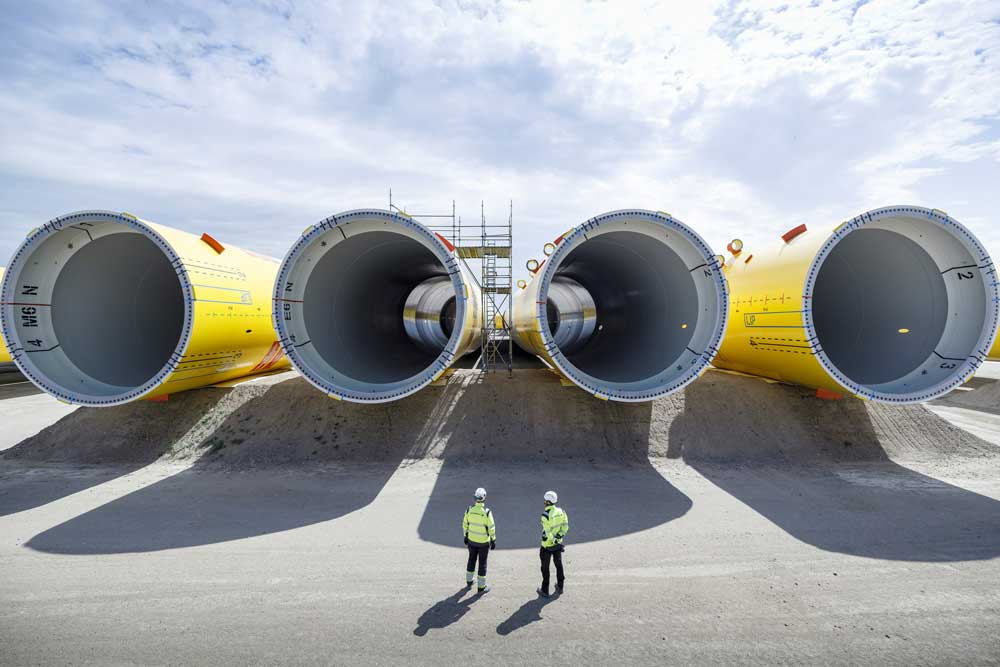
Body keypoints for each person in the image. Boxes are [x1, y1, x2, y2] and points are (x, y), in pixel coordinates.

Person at [463, 487, 496, 594]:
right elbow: (491, 527)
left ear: (475, 498)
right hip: (483, 543)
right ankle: (481, 587)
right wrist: (493, 540)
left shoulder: (469, 509)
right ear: (484, 498)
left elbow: (465, 524)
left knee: (471, 559)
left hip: (471, 541)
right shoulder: (487, 512)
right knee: (482, 563)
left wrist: (465, 536)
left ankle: (469, 581)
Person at [538, 490, 569, 598]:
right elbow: (565, 526)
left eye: (545, 500)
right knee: (558, 565)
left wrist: (554, 540)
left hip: (547, 545)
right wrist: (559, 537)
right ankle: (560, 586)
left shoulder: (545, 515)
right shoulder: (562, 511)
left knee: (545, 568)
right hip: (558, 545)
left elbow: (547, 531)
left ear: (547, 502)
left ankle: (544, 590)